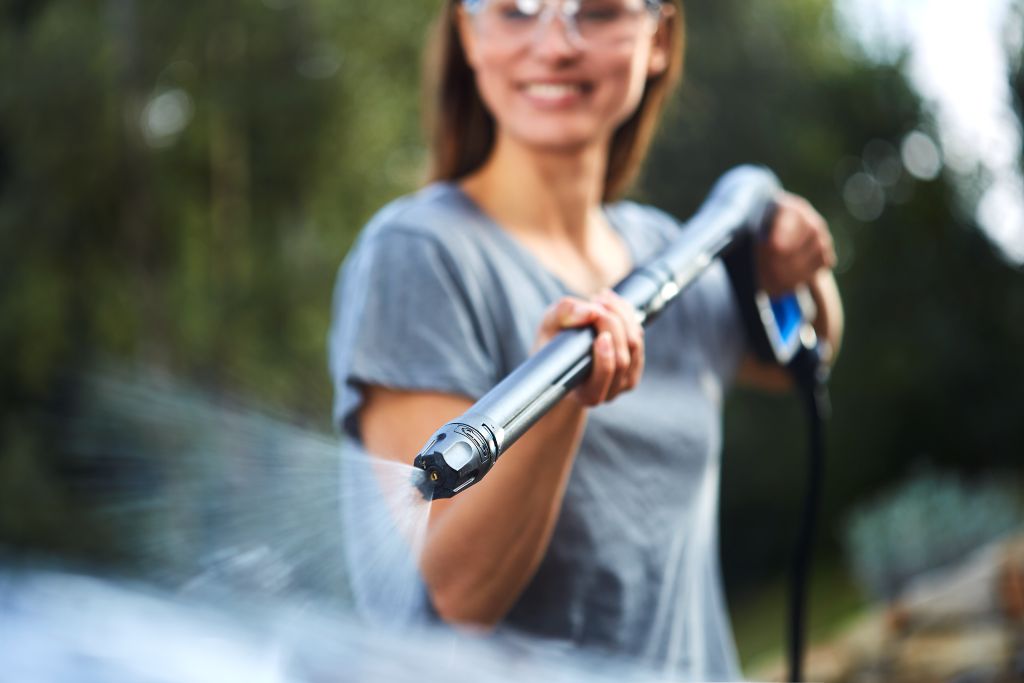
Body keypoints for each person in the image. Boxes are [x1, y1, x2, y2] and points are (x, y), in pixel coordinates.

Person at [328, 0, 843, 679]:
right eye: (516, 11)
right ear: (469, 33)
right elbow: (461, 592)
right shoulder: (419, 256)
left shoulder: (668, 250)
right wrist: (565, 393)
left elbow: (803, 361)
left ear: (658, 37)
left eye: (596, 12)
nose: (556, 44)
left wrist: (797, 269)